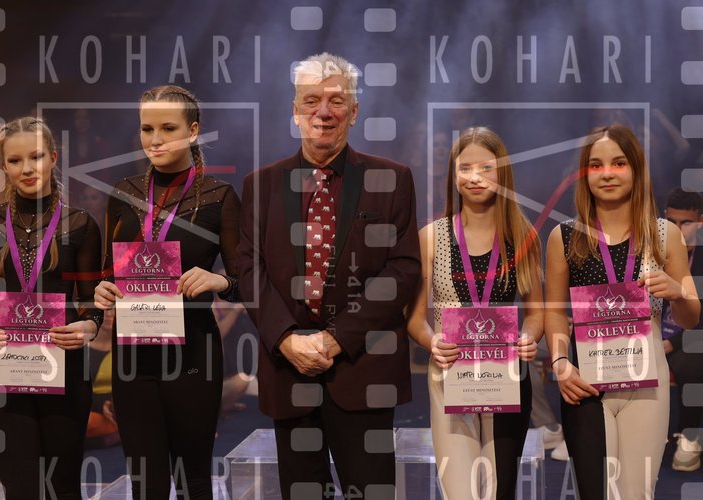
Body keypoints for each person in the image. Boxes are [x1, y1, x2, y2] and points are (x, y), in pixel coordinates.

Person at [237, 52, 421, 499]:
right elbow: (248, 269)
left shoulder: (392, 179)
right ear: (295, 111)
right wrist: (286, 339)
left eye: (336, 101)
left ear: (354, 112)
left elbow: (403, 270)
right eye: (311, 100)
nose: (323, 111)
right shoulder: (261, 185)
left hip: (363, 369)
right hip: (289, 372)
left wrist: (337, 338)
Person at [93, 84, 240, 500]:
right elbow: (107, 271)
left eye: (168, 128)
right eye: (147, 129)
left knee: (194, 480)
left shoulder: (219, 197)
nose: (155, 140)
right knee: (145, 484)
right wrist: (101, 289)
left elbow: (245, 279)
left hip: (192, 355)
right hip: (133, 358)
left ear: (193, 131)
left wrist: (219, 281)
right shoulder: (123, 193)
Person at [544, 124, 701, 498]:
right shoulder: (564, 237)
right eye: (596, 165)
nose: (607, 173)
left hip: (647, 385)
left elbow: (691, 317)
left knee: (636, 494)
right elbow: (553, 312)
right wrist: (560, 363)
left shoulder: (665, 234)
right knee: (594, 493)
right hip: (586, 384)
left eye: (618, 163)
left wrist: (678, 293)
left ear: (636, 169)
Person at [0, 116, 103, 498]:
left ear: (53, 157)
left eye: (36, 157)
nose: (27, 168)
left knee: (62, 488)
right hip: (8, 375)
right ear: (3, 165)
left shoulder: (80, 224)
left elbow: (91, 303)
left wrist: (89, 326)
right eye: (15, 160)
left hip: (65, 370)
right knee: (21, 489)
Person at [406, 127, 543, 499]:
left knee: (499, 491)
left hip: (506, 375)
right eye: (465, 168)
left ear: (503, 174)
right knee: (460, 491)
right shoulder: (431, 237)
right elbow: (414, 319)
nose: (475, 177)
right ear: (453, 176)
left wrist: (529, 336)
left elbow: (536, 313)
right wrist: (432, 342)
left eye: (486, 168)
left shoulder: (523, 236)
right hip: (451, 374)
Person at [662, 187, 703, 471]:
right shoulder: (648, 251)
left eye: (685, 222)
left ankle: (688, 436)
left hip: (688, 339)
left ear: (700, 222)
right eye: (671, 221)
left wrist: (671, 343)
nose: (677, 229)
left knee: (693, 361)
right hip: (648, 334)